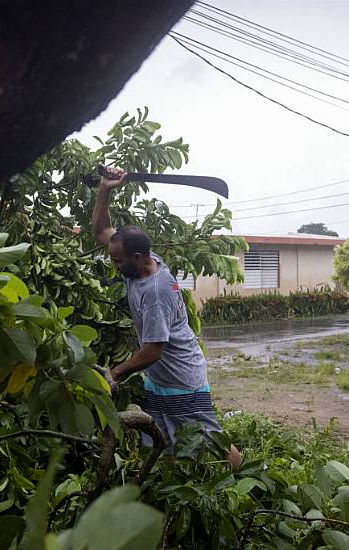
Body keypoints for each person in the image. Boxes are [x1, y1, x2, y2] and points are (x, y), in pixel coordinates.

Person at [91, 166, 240, 468]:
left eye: (117, 260)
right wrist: (105, 189)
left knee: (211, 443)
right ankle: (171, 490)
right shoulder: (145, 260)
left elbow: (152, 350)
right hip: (160, 380)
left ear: (136, 258)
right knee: (163, 441)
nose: (114, 264)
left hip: (182, 380)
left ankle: (247, 480)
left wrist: (115, 373)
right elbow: (100, 231)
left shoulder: (156, 292)